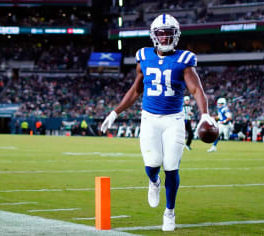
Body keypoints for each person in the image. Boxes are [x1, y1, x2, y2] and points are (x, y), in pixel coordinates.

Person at [100, 14, 214, 232]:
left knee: (171, 166)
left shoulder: (184, 59)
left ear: (176, 34)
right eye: (160, 33)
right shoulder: (143, 55)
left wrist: (205, 114)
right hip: (149, 119)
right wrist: (115, 113)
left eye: (168, 33)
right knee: (152, 165)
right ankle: (153, 182)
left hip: (174, 120)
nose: (164, 37)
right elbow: (136, 89)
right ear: (154, 36)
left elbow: (196, 89)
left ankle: (169, 212)